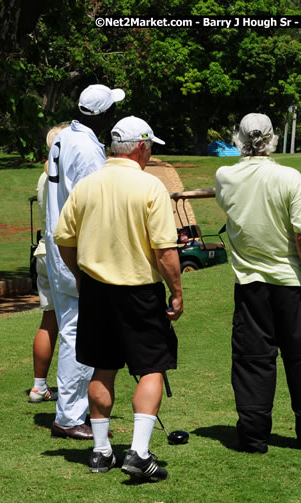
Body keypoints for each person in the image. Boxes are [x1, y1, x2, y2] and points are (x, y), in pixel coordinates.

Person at [54, 116, 182, 480]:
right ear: (141, 147)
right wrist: (176, 290)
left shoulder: (87, 185)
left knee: (102, 367)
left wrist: (80, 276)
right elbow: (165, 250)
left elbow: (64, 238)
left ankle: (100, 451)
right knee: (152, 366)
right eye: (150, 147)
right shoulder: (150, 186)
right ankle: (139, 453)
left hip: (96, 290)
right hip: (139, 291)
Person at [215, 113, 301, 453]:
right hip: (289, 282)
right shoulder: (289, 177)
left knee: (252, 360)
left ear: (238, 139)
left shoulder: (224, 176)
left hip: (250, 283)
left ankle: (253, 437)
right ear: (272, 139)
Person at [45, 84, 124, 439]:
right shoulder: (88, 149)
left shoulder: (64, 137)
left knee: (72, 329)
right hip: (75, 249)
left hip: (58, 241)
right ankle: (70, 417)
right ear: (103, 115)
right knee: (78, 333)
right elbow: (97, 205)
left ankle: (73, 411)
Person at [28, 123, 68, 403]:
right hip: (62, 254)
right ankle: (70, 393)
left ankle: (38, 386)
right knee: (73, 324)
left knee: (49, 319)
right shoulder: (63, 175)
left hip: (43, 252)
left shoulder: (44, 176)